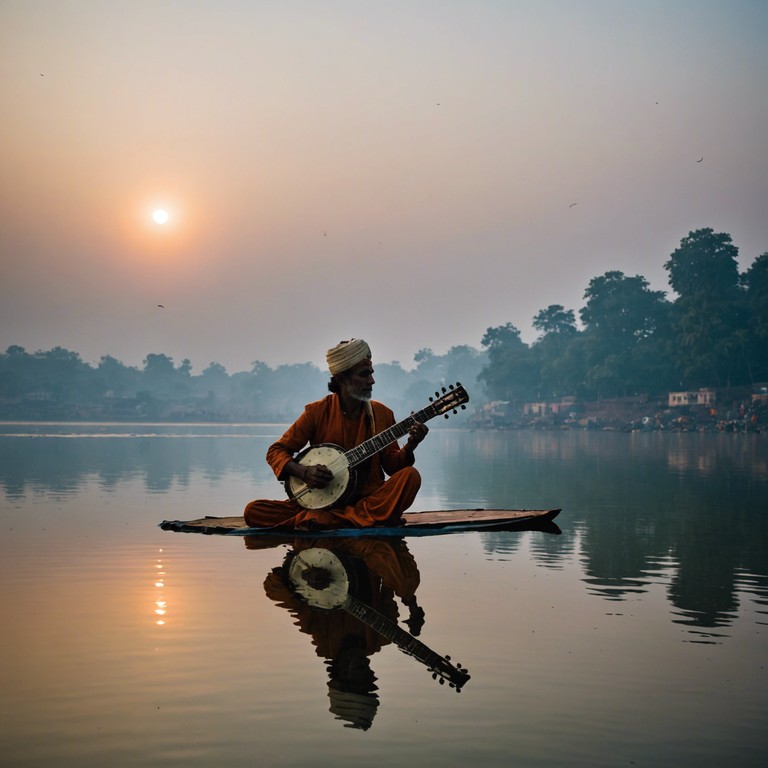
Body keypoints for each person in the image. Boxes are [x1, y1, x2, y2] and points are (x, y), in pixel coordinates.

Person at [243, 338, 428, 529]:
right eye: (364, 375)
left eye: (371, 374)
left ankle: (325, 519)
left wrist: (411, 445)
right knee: (253, 511)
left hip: (368, 500)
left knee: (410, 476)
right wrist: (305, 472)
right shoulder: (316, 412)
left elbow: (393, 467)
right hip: (321, 500)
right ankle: (344, 519)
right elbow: (276, 451)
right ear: (342, 379)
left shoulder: (382, 414)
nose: (371, 381)